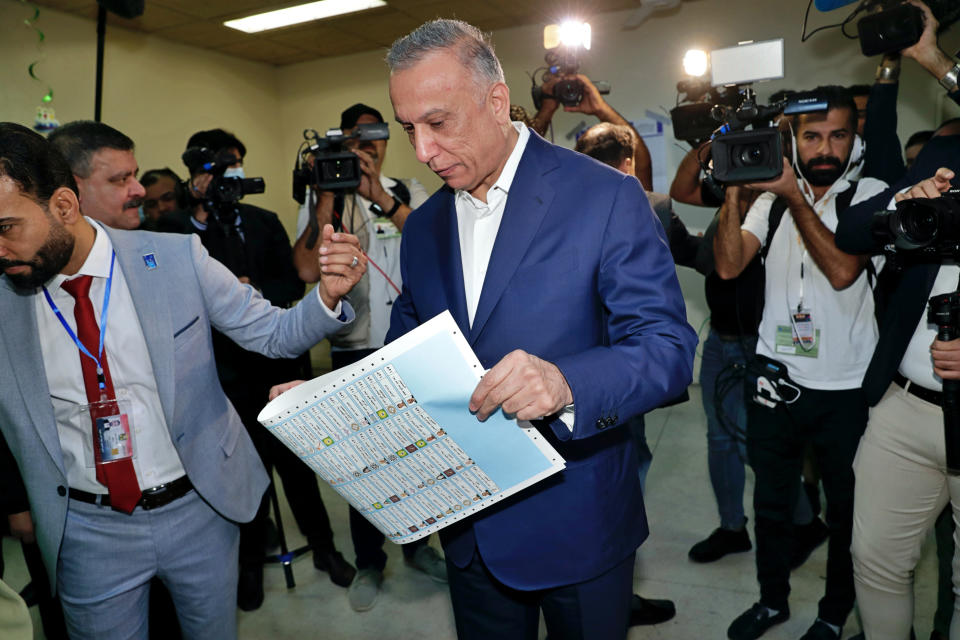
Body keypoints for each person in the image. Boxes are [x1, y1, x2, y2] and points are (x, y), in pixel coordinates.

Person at [386, 18, 696, 639]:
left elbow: (667, 350)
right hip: (468, 528)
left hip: (578, 523)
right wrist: (335, 398)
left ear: (496, 101)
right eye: (409, 130)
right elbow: (410, 348)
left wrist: (565, 381)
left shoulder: (606, 197)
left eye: (438, 124)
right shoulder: (423, 228)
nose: (421, 152)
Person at [0, 122, 366, 640]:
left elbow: (273, 334)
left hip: (198, 509)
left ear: (63, 205)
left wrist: (326, 298)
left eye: (5, 227)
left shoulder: (173, 259)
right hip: (87, 529)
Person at [713, 86, 889, 640]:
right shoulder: (768, 201)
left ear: (854, 137)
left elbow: (842, 271)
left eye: (838, 135)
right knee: (770, 501)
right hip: (777, 379)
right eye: (811, 136)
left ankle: (834, 614)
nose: (824, 148)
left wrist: (794, 196)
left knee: (845, 512)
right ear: (792, 138)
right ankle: (771, 601)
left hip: (846, 386)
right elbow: (727, 265)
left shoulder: (872, 194)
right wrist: (736, 195)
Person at [163, 127, 356, 610]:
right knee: (244, 473)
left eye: (237, 164)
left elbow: (293, 278)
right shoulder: (174, 231)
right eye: (221, 167)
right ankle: (250, 564)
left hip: (280, 361)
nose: (233, 175)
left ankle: (326, 548)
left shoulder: (263, 219)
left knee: (300, 466)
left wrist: (248, 292)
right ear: (196, 176)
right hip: (223, 375)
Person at [293, 104, 440, 612]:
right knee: (363, 467)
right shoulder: (323, 199)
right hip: (353, 348)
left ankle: (420, 547)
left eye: (374, 138)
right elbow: (308, 270)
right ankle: (370, 563)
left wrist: (377, 194)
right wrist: (328, 199)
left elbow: (436, 245)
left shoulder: (408, 190)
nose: (366, 147)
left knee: (419, 457)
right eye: (355, 139)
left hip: (407, 344)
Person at [572, 121, 679, 628]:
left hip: (601, 371)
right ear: (631, 162)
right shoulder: (647, 203)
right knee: (619, 478)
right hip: (611, 378)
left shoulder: (568, 208)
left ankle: (610, 593)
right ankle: (609, 594)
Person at [528, 73, 653, 190]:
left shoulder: (568, 207)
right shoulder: (639, 203)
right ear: (627, 166)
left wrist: (547, 109)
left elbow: (521, 158)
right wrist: (601, 109)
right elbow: (642, 165)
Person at [48, 120, 146, 230]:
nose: (141, 191)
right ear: (73, 188)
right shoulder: (37, 245)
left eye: (135, 176)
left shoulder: (158, 245)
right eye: (122, 179)